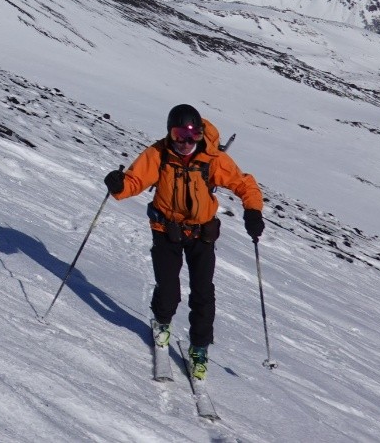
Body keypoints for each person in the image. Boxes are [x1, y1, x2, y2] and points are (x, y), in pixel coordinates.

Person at [103, 104, 264, 380]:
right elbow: (134, 181)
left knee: (203, 294)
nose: (186, 142)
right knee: (168, 289)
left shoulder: (212, 158)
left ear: (201, 134)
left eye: (192, 135)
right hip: (166, 230)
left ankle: (199, 349)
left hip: (202, 234)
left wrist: (253, 210)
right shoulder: (159, 154)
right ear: (169, 134)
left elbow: (244, 184)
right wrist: (119, 185)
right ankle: (162, 324)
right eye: (179, 135)